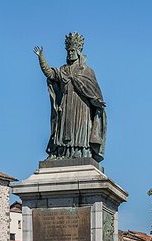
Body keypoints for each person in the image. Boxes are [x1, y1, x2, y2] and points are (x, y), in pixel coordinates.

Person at [34, 32, 107, 162]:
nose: (70, 53)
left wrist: (96, 102)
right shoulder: (63, 70)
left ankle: (81, 152)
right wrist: (41, 58)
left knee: (80, 131)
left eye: (73, 50)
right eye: (68, 50)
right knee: (63, 131)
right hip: (66, 104)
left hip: (82, 107)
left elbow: (94, 91)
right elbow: (50, 74)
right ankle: (63, 152)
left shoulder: (87, 71)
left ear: (78, 51)